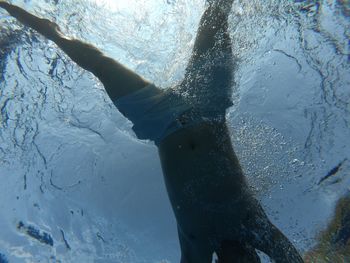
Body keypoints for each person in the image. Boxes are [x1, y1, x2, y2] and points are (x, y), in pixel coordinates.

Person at [0, 1, 304, 262]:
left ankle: (46, 31)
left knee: (98, 64)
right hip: (210, 109)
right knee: (215, 16)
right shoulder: (256, 228)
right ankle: (40, 24)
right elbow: (291, 258)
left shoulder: (197, 247)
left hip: (158, 120)